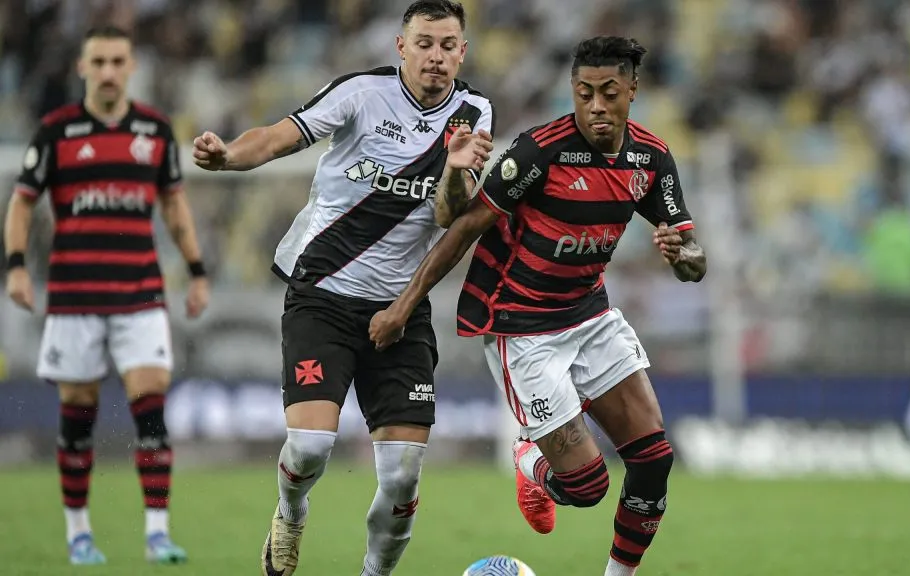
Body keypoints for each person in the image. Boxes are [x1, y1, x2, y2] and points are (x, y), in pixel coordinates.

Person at [369, 36, 706, 576]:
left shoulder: (651, 158)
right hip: (522, 328)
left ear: (632, 92)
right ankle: (531, 461)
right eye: (584, 92)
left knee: (653, 461)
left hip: (590, 315)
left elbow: (693, 258)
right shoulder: (539, 151)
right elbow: (464, 228)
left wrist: (681, 253)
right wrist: (404, 305)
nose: (596, 106)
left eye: (609, 93)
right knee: (589, 487)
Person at [190, 1, 493, 575]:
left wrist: (454, 168)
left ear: (463, 51)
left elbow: (452, 214)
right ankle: (290, 513)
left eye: (447, 45)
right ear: (401, 48)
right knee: (309, 448)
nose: (436, 56)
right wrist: (229, 156)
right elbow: (280, 136)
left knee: (402, 476)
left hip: (400, 310)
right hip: (322, 295)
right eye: (424, 43)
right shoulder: (359, 93)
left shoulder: (474, 112)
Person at [3, 26, 208, 565]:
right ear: (82, 67)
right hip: (74, 294)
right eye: (100, 61)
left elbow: (174, 205)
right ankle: (78, 534)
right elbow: (23, 202)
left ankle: (157, 533)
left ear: (131, 65)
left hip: (140, 290)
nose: (110, 71)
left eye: (118, 60)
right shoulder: (56, 132)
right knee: (78, 413)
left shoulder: (156, 130)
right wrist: (17, 267)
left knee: (150, 402)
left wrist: (197, 270)